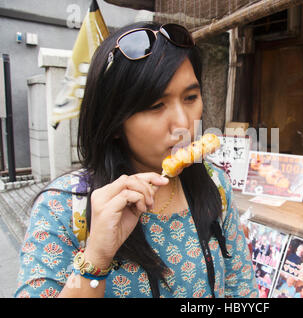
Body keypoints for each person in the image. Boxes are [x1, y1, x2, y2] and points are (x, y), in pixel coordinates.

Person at [15, 22, 257, 298]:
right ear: (115, 122)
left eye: (191, 97)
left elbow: (241, 288)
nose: (183, 123)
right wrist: (95, 259)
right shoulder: (63, 208)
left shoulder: (214, 184)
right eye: (156, 105)